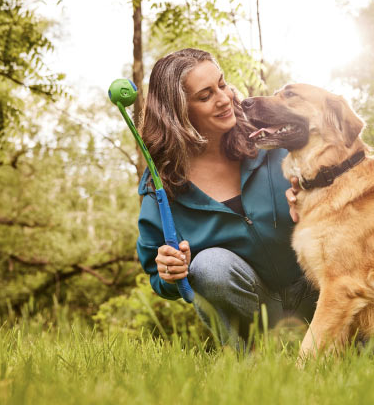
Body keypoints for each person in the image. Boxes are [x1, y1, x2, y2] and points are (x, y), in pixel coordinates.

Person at [135, 48, 315, 344]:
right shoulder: (161, 187)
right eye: (205, 96)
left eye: (221, 84)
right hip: (256, 315)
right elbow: (158, 275)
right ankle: (252, 363)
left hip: (315, 288)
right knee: (208, 267)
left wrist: (314, 204)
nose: (224, 99)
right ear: (178, 112)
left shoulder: (267, 135)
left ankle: (335, 339)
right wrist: (170, 274)